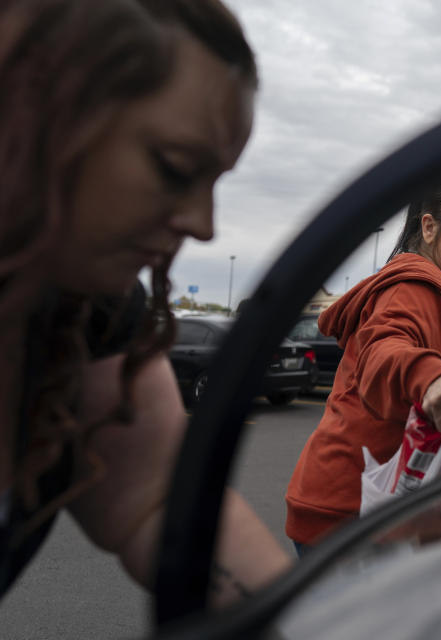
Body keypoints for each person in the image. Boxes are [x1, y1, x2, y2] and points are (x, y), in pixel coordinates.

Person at [0, 0, 291, 606]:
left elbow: (156, 497)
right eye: (176, 167)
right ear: (33, 110)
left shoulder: (82, 309)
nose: (204, 225)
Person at [285, 172, 441, 548]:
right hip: (351, 517)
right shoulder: (409, 286)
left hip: (390, 509)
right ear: (429, 227)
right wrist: (431, 376)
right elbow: (385, 347)